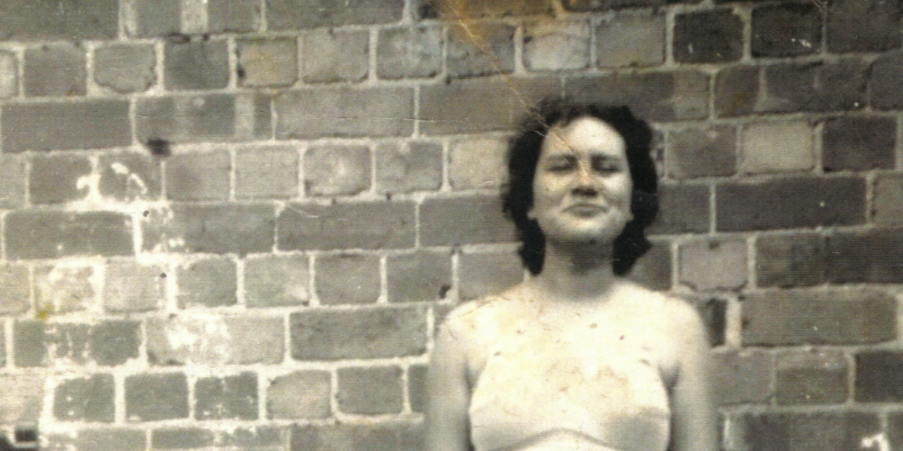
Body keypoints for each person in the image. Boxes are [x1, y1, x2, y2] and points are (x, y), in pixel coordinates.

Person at [425, 100, 717, 451]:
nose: (585, 184)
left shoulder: (675, 328)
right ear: (529, 200)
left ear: (631, 202)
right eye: (562, 166)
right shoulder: (467, 334)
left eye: (606, 168)